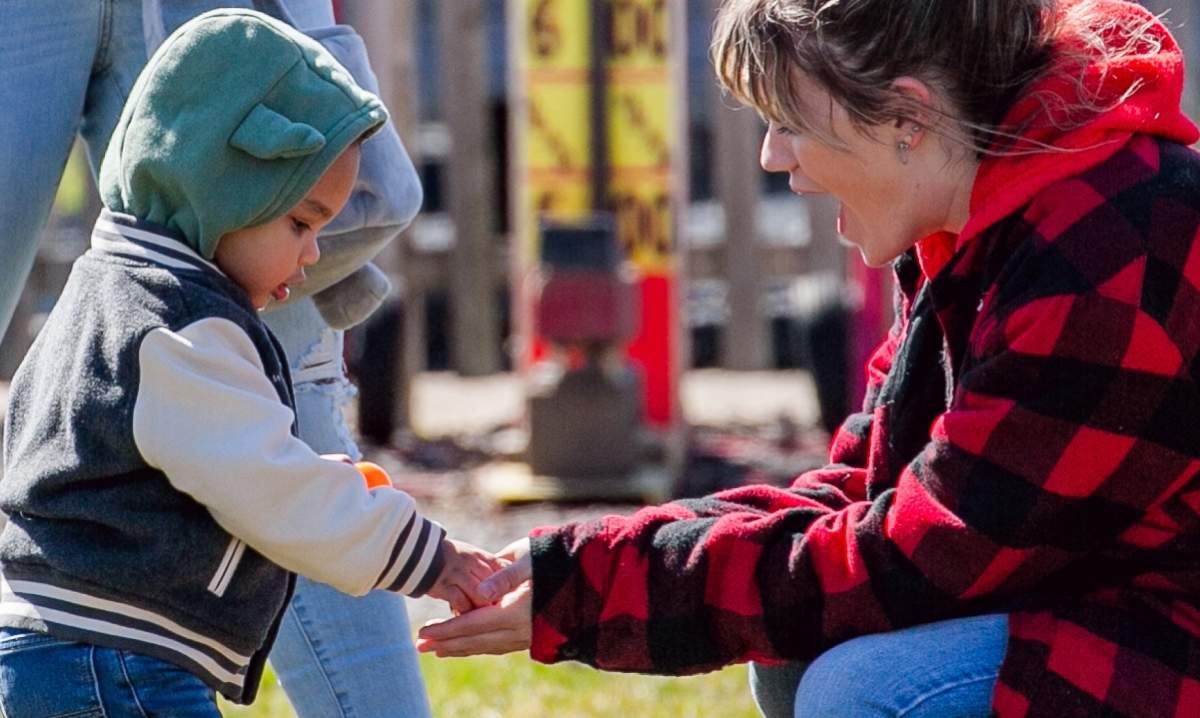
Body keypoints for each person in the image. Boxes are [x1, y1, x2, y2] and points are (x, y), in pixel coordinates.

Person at [418, 0, 1200, 715]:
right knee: (800, 652)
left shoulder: (1106, 248)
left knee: (862, 688)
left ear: (906, 116)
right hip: (1116, 600)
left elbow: (922, 559)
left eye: (788, 119)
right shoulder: (992, 221)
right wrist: (579, 567)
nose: (769, 156)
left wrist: (595, 590)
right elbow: (863, 490)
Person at [0, 10, 498, 715]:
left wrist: (309, 477)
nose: (315, 253)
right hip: (117, 667)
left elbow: (219, 468)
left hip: (58, 647)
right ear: (224, 188)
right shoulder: (182, 331)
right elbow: (273, 496)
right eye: (301, 221)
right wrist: (429, 556)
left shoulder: (102, 289)